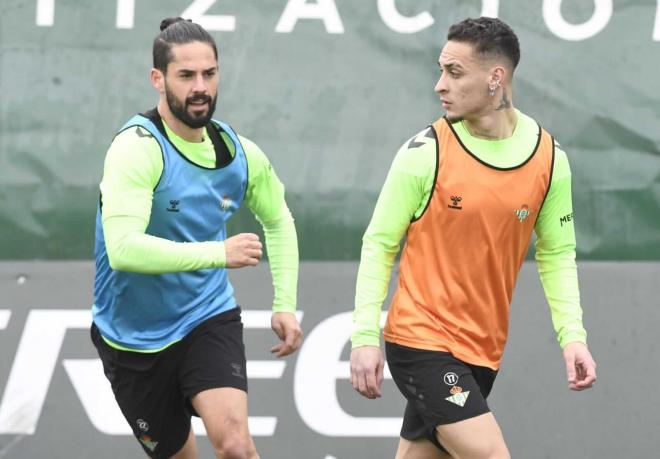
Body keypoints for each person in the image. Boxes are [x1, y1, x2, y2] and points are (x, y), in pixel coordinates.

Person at [349, 17, 597, 459]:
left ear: (495, 78)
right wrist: (365, 336)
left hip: (483, 353)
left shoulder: (549, 159)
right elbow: (379, 245)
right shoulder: (425, 154)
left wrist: (572, 336)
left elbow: (557, 254)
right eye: (441, 70)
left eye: (455, 72)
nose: (440, 85)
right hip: (421, 341)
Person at [91, 17, 302, 459]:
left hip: (206, 317)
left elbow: (279, 219)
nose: (200, 87)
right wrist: (218, 253)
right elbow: (124, 249)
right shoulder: (137, 148)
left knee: (237, 447)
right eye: (186, 76)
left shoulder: (239, 154)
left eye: (209, 73)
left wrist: (284, 301)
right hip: (131, 339)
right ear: (158, 78)